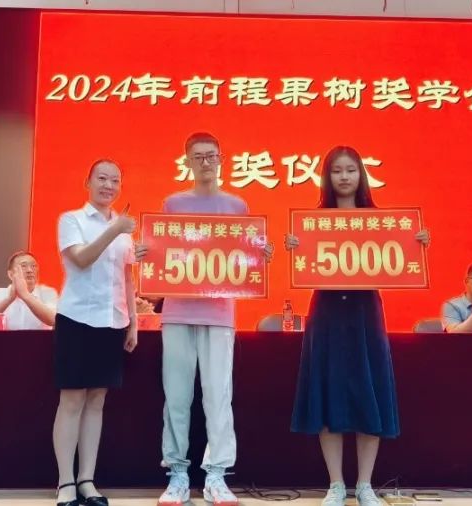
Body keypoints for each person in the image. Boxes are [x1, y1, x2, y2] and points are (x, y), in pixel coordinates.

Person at [285, 146, 430, 506]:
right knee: (327, 391)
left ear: (361, 175)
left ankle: (365, 485)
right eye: (337, 171)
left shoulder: (381, 221)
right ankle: (336, 484)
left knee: (370, 392)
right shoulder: (313, 221)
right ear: (327, 177)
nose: (344, 177)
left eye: (350, 170)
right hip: (327, 312)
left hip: (365, 313)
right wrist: (295, 246)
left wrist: (416, 243)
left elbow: (399, 260)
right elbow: (306, 263)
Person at [156, 132, 273, 506]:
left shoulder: (237, 205)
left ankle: (216, 475)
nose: (205, 162)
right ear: (187, 162)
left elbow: (244, 255)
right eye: (198, 157)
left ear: (221, 159)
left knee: (218, 396)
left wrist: (260, 255)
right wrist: (146, 252)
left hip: (220, 313)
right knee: (177, 395)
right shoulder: (173, 203)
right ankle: (177, 473)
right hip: (177, 311)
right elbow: (162, 250)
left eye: (211, 156)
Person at [36, 159, 145, 506]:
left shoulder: (124, 230)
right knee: (72, 400)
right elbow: (81, 259)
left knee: (97, 401)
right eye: (102, 178)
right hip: (77, 319)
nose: (108, 186)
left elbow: (127, 278)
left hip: (113, 321)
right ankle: (65, 482)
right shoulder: (72, 220)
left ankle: (87, 480)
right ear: (88, 182)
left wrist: (133, 321)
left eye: (115, 181)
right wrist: (116, 230)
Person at [0, 251, 58, 330]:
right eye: (23, 266)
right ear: (11, 274)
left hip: (40, 338)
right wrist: (8, 299)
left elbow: (53, 320)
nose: (30, 270)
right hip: (6, 338)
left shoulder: (48, 292)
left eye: (34, 266)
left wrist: (25, 295)